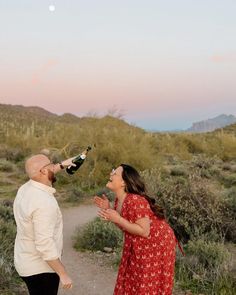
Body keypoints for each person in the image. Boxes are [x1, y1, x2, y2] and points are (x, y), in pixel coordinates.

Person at [94, 164, 177, 295]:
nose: (110, 174)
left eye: (114, 173)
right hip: (141, 241)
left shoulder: (135, 200)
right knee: (133, 278)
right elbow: (126, 226)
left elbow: (144, 231)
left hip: (157, 243)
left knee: (145, 282)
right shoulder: (119, 200)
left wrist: (118, 219)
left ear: (123, 182)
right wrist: (109, 209)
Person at [13, 154, 75, 295]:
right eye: (50, 164)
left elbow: (45, 173)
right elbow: (44, 244)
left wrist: (63, 165)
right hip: (41, 269)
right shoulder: (43, 203)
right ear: (43, 171)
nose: (54, 165)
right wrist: (63, 274)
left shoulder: (25, 188)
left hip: (25, 261)